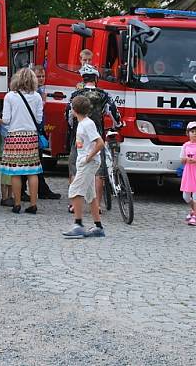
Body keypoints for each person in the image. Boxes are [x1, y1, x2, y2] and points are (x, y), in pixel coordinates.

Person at [65, 64, 122, 207]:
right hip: (96, 135)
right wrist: (118, 125)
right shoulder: (104, 95)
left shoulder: (75, 95)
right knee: (99, 171)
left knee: (75, 167)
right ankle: (96, 205)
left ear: (82, 79)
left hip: (79, 136)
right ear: (96, 78)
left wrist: (73, 128)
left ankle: (74, 204)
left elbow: (68, 116)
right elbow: (114, 113)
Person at [0, 67, 44, 214]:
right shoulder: (37, 97)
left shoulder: (10, 96)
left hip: (14, 137)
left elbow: (6, 120)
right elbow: (38, 119)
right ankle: (33, 204)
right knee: (32, 171)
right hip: (30, 136)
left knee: (16, 173)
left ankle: (17, 204)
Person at [62, 95, 106, 239]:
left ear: (73, 110)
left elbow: (100, 143)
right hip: (85, 162)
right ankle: (98, 226)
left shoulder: (87, 124)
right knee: (90, 195)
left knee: (75, 190)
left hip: (88, 162)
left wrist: (88, 157)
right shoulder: (83, 124)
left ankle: (78, 224)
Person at [21, 65, 61, 200]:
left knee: (35, 162)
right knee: (35, 163)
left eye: (43, 76)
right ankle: (35, 190)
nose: (42, 79)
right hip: (34, 130)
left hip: (36, 129)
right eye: (39, 76)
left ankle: (39, 189)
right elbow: (37, 116)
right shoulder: (35, 94)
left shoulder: (39, 91)